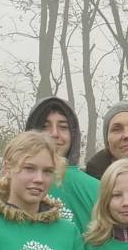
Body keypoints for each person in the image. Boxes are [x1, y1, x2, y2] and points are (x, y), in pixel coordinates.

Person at [28, 96, 100, 233]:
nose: (54, 134)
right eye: (44, 126)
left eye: (63, 127)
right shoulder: (9, 187)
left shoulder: (98, 190)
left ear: (73, 134)